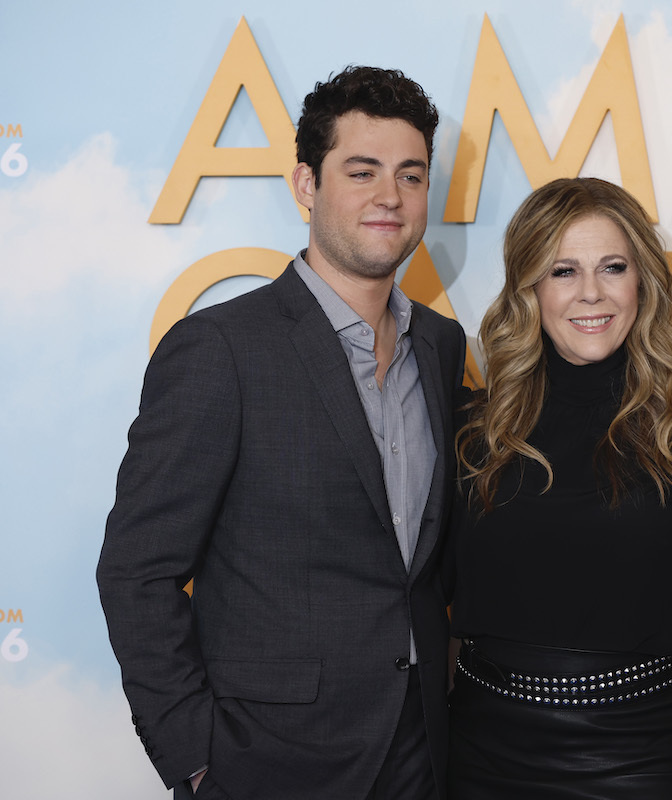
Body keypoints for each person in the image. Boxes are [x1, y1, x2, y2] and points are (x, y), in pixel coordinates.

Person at [96, 66, 465, 800]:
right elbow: (137, 571)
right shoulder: (222, 350)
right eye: (361, 172)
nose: (390, 197)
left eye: (411, 175)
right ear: (306, 185)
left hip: (421, 757)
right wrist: (197, 759)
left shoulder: (443, 347)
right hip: (266, 763)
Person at [446, 177, 672, 799]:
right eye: (563, 270)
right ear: (529, 289)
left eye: (613, 267)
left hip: (645, 756)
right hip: (484, 753)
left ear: (641, 281)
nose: (591, 292)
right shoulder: (470, 431)